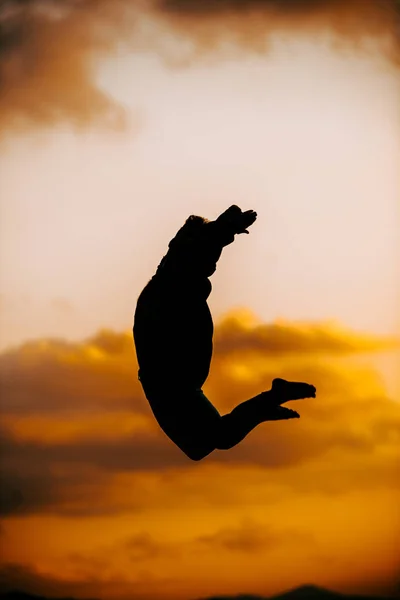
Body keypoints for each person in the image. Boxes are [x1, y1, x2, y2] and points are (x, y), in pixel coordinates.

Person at [133, 205, 316, 461]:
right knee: (204, 445)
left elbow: (187, 257)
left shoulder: (174, 285)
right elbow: (183, 258)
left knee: (214, 440)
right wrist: (222, 229)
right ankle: (268, 402)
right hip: (170, 382)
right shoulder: (169, 284)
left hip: (175, 383)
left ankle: (269, 401)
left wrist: (222, 231)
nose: (212, 268)